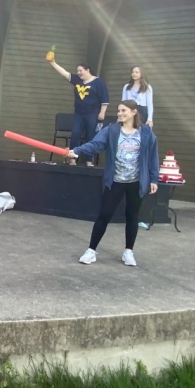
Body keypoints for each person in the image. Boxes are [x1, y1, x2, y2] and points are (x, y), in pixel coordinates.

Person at [69, 100, 160, 267]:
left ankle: (128, 252)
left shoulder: (146, 132)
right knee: (104, 215)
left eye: (123, 110)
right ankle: (91, 250)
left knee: (132, 216)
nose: (120, 113)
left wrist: (154, 178)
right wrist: (77, 151)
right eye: (118, 111)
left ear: (134, 112)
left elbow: (153, 156)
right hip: (116, 181)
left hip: (136, 182)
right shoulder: (111, 130)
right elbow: (96, 145)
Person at [49, 58, 109, 166]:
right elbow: (64, 73)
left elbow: (104, 99)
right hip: (79, 114)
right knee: (75, 134)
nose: (78, 73)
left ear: (87, 70)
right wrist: (53, 63)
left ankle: (89, 160)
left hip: (93, 113)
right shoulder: (77, 80)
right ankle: (73, 158)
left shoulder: (98, 82)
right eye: (77, 71)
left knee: (91, 136)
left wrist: (102, 113)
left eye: (80, 70)